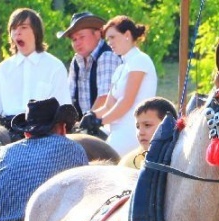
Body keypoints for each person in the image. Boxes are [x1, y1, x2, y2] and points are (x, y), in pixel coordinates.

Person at [78, 15, 156, 156]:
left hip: (132, 130)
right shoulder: (121, 68)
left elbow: (126, 101)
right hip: (115, 129)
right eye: (108, 39)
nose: (110, 43)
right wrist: (91, 115)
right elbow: (108, 106)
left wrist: (100, 121)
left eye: (112, 37)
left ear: (127, 35)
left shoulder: (140, 60)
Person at [0, 7, 70, 141]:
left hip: (45, 137)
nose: (17, 33)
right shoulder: (2, 70)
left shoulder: (55, 66)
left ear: (36, 32)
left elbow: (63, 109)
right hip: (8, 138)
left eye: (23, 27)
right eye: (13, 29)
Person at [57, 11, 120, 118]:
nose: (77, 43)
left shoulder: (107, 56)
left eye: (81, 37)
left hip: (107, 124)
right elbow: (68, 97)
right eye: (74, 39)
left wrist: (85, 124)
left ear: (97, 34)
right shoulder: (76, 61)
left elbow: (105, 98)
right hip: (85, 124)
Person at [118, 96, 177, 168]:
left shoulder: (182, 158)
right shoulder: (128, 163)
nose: (140, 133)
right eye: (138, 127)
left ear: (169, 125)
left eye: (147, 125)